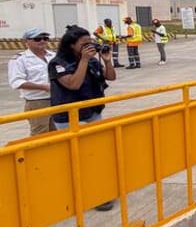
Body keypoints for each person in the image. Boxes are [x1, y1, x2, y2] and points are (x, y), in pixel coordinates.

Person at [49, 25, 117, 211]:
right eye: (84, 44)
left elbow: (111, 77)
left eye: (91, 43)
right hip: (70, 117)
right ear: (72, 45)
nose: (90, 47)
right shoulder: (58, 63)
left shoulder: (93, 62)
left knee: (96, 155)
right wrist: (84, 61)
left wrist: (107, 61)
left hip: (92, 113)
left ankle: (99, 193)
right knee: (79, 158)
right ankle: (84, 196)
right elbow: (73, 84)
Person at [7, 28, 56, 136]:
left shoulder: (53, 56)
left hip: (57, 99)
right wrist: (43, 87)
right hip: (37, 102)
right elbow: (16, 82)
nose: (42, 41)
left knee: (58, 132)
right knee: (40, 134)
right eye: (37, 39)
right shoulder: (20, 59)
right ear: (26, 42)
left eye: (45, 38)